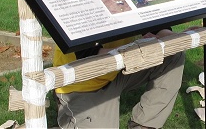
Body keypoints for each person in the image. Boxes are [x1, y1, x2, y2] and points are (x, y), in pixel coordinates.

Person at [54, 29, 185, 129]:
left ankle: (143, 125)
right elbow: (88, 54)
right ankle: (68, 115)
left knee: (172, 54)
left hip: (120, 67)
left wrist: (179, 36)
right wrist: (135, 48)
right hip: (83, 81)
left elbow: (157, 26)